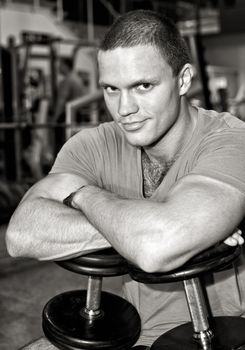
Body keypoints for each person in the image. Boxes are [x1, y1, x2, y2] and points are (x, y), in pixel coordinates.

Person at [5, 10, 245, 349]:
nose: (124, 109)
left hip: (221, 332)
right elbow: (21, 234)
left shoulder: (231, 141)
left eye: (143, 86)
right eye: (110, 89)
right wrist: (157, 221)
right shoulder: (95, 144)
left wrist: (82, 198)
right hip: (133, 331)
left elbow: (154, 247)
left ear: (183, 80)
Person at [53, 56, 85, 153]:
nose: (58, 68)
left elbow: (61, 101)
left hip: (66, 116)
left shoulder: (67, 80)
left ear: (66, 66)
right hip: (77, 116)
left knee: (62, 145)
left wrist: (55, 118)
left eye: (61, 65)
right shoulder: (78, 79)